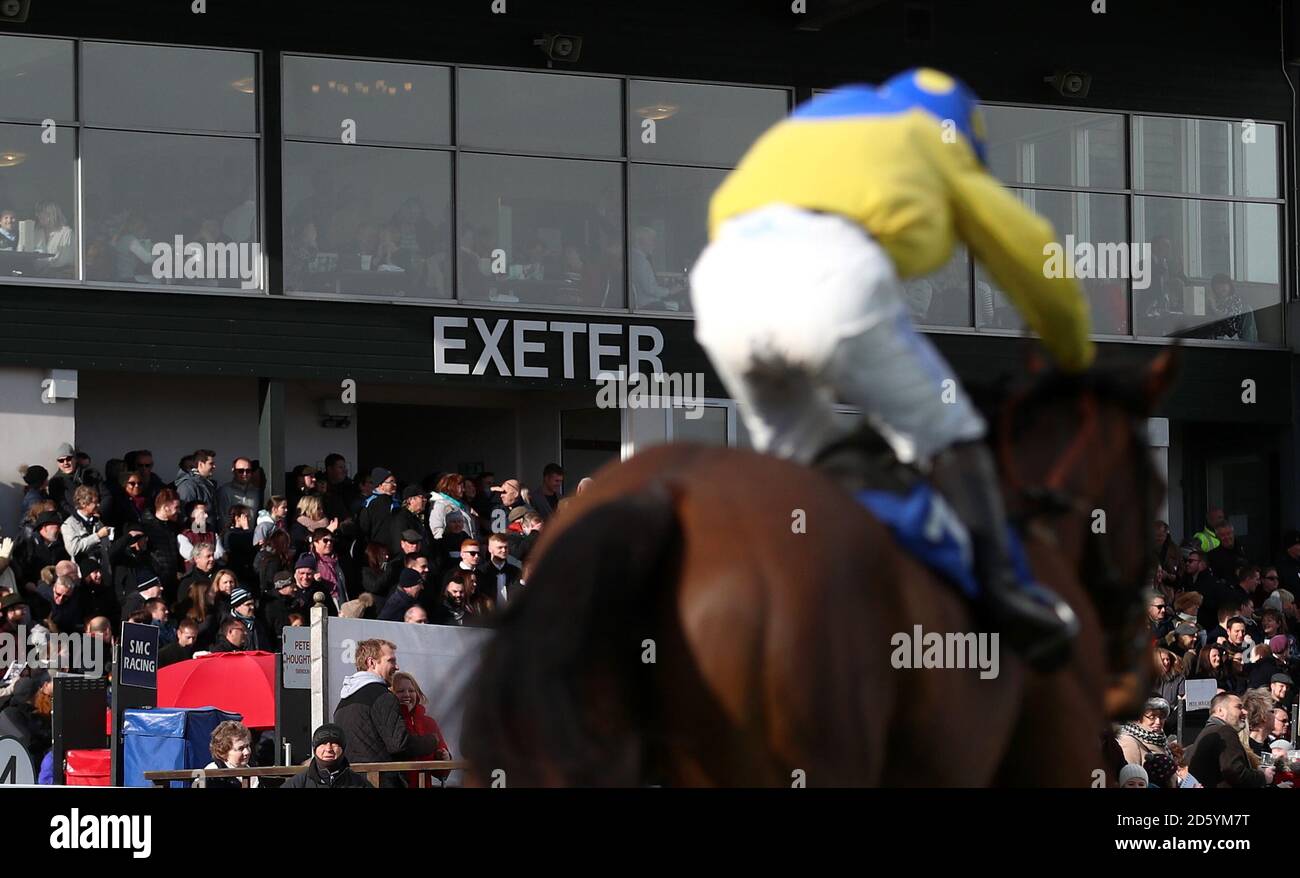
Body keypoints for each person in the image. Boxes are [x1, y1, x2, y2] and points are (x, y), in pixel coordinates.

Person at [690, 68, 1093, 668]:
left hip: (720, 288)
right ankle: (1009, 598)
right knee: (950, 432)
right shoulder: (931, 138)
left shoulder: (812, 121)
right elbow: (1025, 248)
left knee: (814, 458)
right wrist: (1073, 352)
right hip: (829, 279)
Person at [332, 639, 441, 787]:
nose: (396, 667)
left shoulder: (343, 702)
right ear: (371, 662)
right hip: (379, 782)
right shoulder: (383, 696)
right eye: (391, 661)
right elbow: (399, 744)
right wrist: (432, 741)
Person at [1186, 692, 1271, 787]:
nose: (1245, 712)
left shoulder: (1210, 732)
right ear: (1220, 711)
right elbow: (1235, 772)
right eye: (1238, 707)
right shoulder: (1224, 731)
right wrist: (1263, 776)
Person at [391, 671, 451, 787]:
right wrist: (404, 712)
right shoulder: (389, 722)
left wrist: (445, 758)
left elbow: (442, 773)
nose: (407, 695)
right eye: (400, 691)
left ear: (417, 693)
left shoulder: (429, 723)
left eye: (411, 691)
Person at [282, 723, 373, 788]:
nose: (328, 749)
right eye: (323, 744)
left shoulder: (359, 783)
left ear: (343, 748)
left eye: (334, 744)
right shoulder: (297, 784)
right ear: (315, 749)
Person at [196, 720, 259, 788]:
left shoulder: (253, 768)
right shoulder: (211, 774)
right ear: (224, 751)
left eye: (247, 746)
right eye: (241, 748)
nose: (247, 752)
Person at [1115, 697, 1172, 766]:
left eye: (1161, 717)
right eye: (1152, 717)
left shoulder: (1161, 740)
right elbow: (1131, 774)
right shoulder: (1129, 741)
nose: (1158, 722)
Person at [216, 457, 262, 531]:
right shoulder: (225, 491)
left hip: (252, 536)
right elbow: (223, 518)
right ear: (233, 471)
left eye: (248, 471)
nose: (245, 474)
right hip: (232, 537)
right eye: (240, 471)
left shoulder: (256, 492)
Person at [478, 532, 522, 608]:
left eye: (506, 547)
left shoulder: (515, 571)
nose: (504, 550)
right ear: (490, 549)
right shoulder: (481, 572)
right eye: (500, 547)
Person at [429, 474, 478, 541]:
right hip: (452, 549)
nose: (463, 490)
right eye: (461, 486)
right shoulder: (440, 505)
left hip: (466, 547)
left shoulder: (461, 505)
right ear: (451, 486)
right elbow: (436, 530)